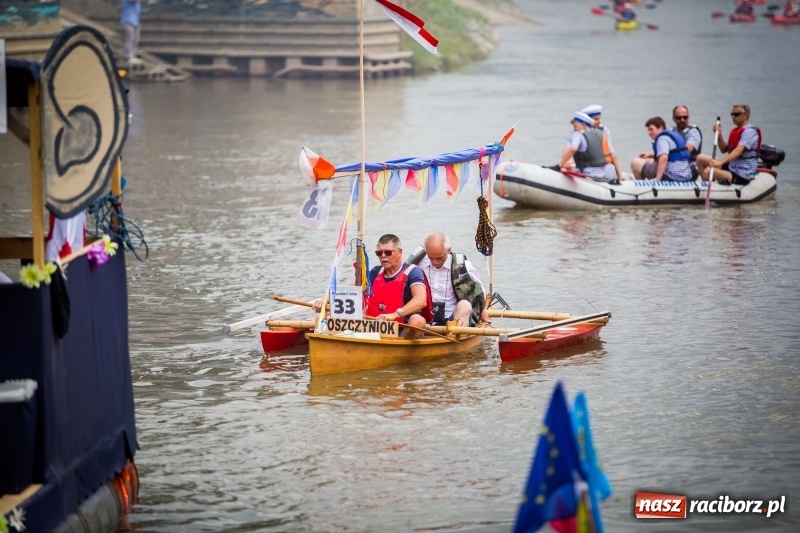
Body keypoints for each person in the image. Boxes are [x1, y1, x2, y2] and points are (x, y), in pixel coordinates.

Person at [407, 232, 490, 327]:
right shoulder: (417, 262)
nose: (435, 262)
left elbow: (479, 289)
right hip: (423, 318)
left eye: (439, 258)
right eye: (431, 258)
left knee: (465, 305)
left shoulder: (463, 265)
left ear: (449, 250)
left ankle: (456, 334)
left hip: (453, 318)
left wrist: (483, 310)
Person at [696, 104, 762, 185]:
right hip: (732, 166)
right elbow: (723, 149)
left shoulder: (750, 132)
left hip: (742, 173)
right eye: (732, 114)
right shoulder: (736, 131)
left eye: (737, 114)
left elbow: (738, 151)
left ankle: (708, 188)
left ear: (745, 115)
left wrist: (720, 162)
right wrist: (719, 135)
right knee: (699, 158)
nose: (733, 117)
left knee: (708, 171)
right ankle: (706, 186)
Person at [555, 111, 617, 183]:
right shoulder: (602, 134)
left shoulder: (578, 135)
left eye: (575, 126)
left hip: (591, 175)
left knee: (567, 166)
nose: (574, 129)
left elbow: (572, 149)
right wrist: (619, 177)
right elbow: (614, 157)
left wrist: (559, 165)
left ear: (583, 124)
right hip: (609, 174)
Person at [630, 116, 693, 182]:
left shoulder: (662, 139)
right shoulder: (673, 136)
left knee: (635, 163)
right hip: (686, 175)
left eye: (651, 129)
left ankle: (643, 187)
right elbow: (671, 153)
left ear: (660, 128)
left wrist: (657, 178)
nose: (648, 133)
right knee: (649, 160)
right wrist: (649, 155)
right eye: (648, 130)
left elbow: (663, 158)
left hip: (671, 176)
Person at [581, 104, 624, 181]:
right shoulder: (582, 132)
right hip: (590, 168)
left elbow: (612, 154)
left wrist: (620, 176)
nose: (599, 121)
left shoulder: (603, 130)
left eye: (599, 118)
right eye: (596, 119)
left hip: (598, 169)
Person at [671, 105, 703, 179]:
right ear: (673, 119)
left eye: (685, 117)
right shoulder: (671, 131)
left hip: (690, 167)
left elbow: (686, 151)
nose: (682, 120)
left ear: (688, 117)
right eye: (679, 118)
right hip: (674, 164)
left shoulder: (693, 132)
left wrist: (666, 154)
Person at [120, 0, 144, 65]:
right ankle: (128, 56)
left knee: (136, 40)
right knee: (130, 39)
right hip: (128, 20)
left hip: (136, 21)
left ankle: (133, 56)